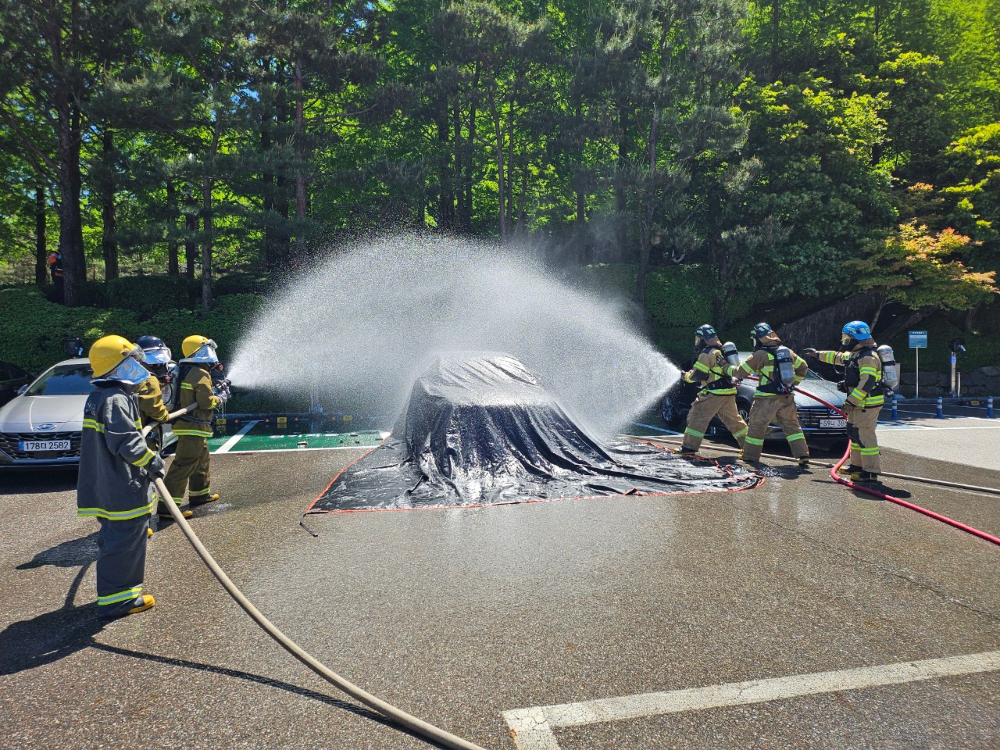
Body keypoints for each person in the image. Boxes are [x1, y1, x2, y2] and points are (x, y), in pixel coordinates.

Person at [77, 335, 163, 618]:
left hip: (106, 485)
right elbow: (126, 442)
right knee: (124, 542)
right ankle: (119, 601)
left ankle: (118, 595)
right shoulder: (115, 399)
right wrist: (153, 462)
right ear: (118, 366)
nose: (139, 365)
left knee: (117, 539)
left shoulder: (101, 396)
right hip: (121, 486)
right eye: (132, 361)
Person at [803, 320, 884, 483]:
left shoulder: (868, 357)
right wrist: (817, 354)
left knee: (865, 436)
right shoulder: (857, 354)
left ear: (856, 338)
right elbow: (837, 357)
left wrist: (851, 402)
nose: (845, 341)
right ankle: (857, 465)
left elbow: (867, 383)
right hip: (859, 404)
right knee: (854, 434)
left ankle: (870, 472)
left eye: (847, 337)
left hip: (866, 404)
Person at [161, 335, 227, 517]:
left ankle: (200, 494)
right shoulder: (201, 373)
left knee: (201, 460)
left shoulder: (186, 370)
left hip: (190, 425)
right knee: (184, 464)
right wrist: (220, 398)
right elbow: (205, 402)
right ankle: (167, 509)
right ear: (199, 352)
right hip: (193, 426)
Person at [730, 323, 810, 467]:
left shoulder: (759, 355)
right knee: (792, 427)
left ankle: (750, 457)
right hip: (787, 397)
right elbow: (803, 367)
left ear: (760, 339)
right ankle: (803, 456)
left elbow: (741, 372)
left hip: (765, 398)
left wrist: (729, 369)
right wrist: (793, 383)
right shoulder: (787, 351)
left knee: (757, 427)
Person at [135, 335, 193, 521]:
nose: (159, 366)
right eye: (154, 362)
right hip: (142, 437)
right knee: (144, 480)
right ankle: (140, 526)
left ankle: (139, 524)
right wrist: (163, 416)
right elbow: (153, 407)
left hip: (144, 435)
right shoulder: (146, 379)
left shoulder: (135, 376)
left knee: (144, 479)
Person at [678, 324, 748, 455]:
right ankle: (750, 449)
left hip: (713, 394)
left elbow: (698, 375)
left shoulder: (707, 353)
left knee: (697, 417)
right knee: (735, 421)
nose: (697, 341)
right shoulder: (722, 351)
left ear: (704, 339)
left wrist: (685, 376)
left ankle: (689, 448)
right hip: (728, 393)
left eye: (699, 338)